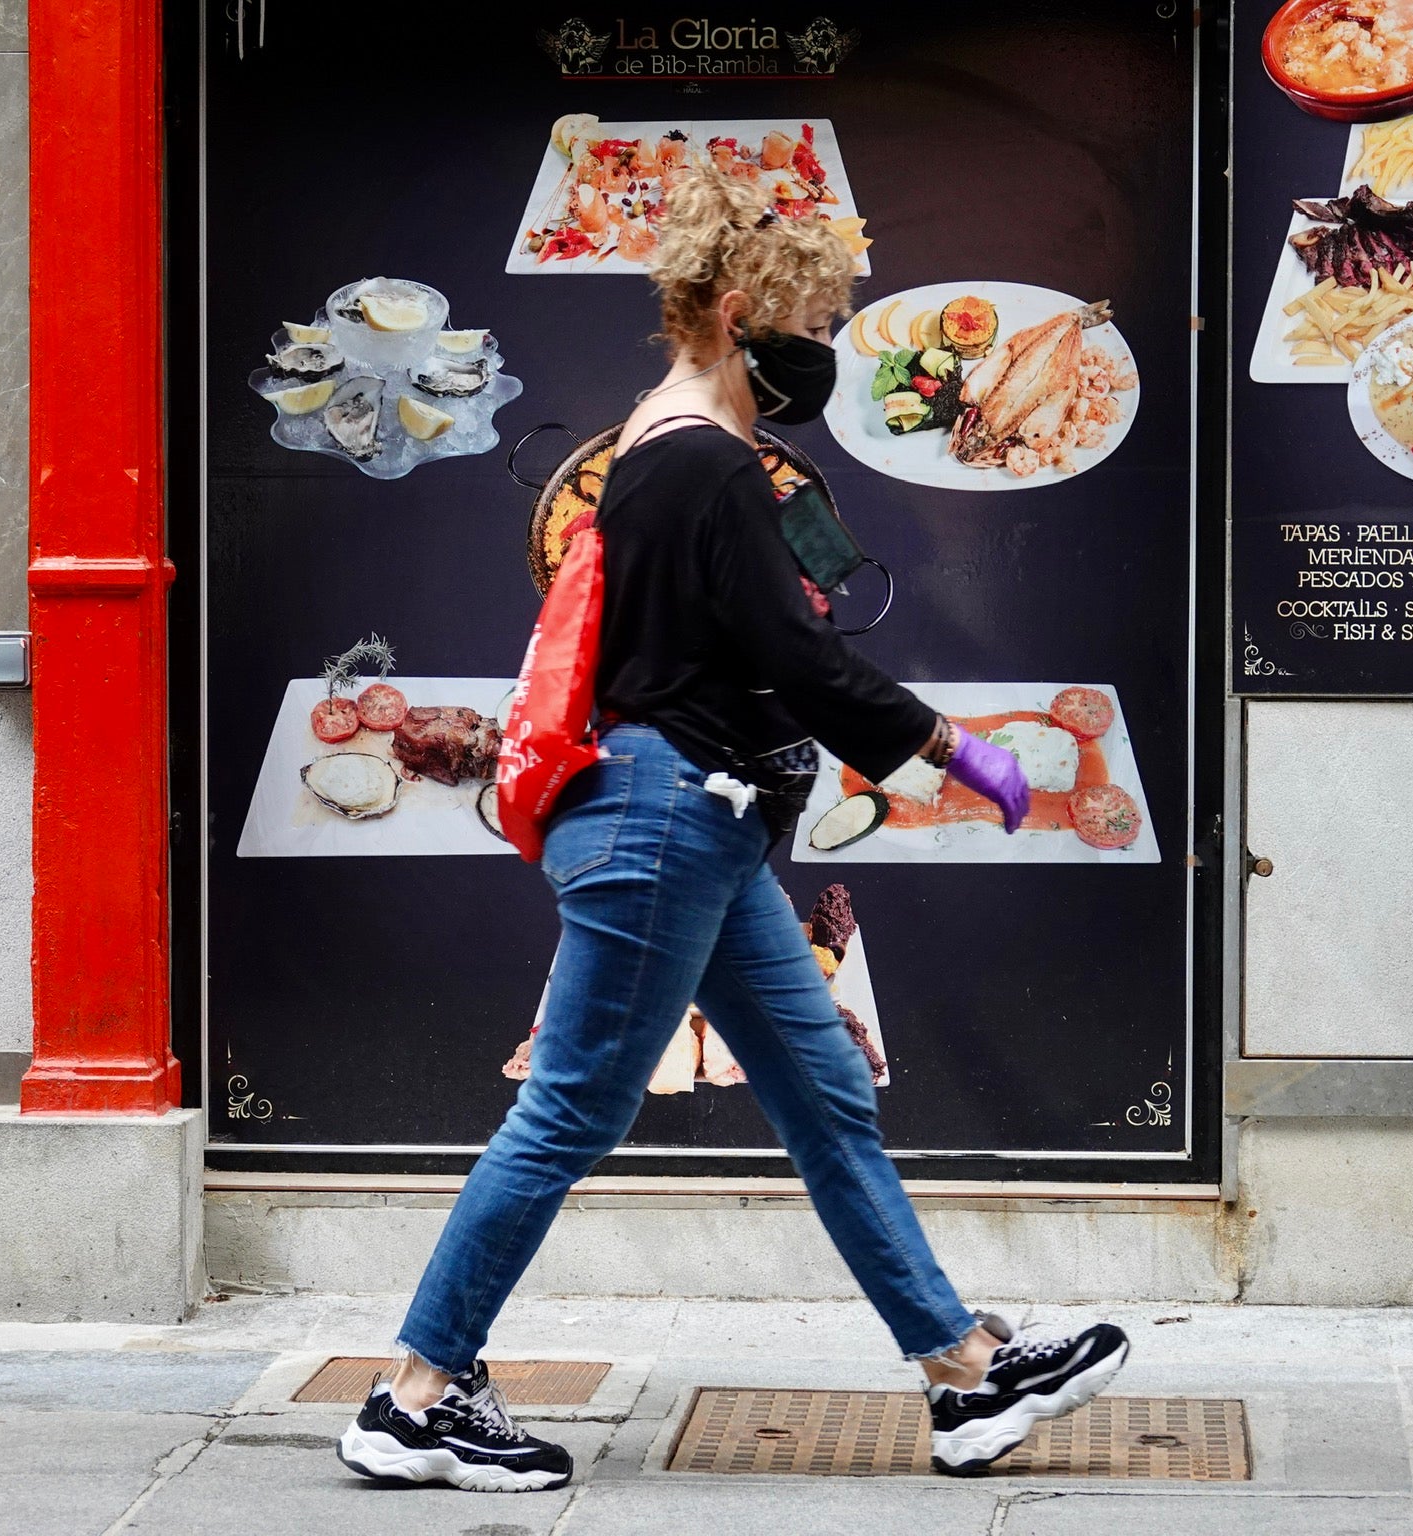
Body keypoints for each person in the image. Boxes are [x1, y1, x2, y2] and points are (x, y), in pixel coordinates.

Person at [337, 167, 1129, 1493]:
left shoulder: (656, 450)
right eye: (819, 322)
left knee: (824, 1100)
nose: (823, 350)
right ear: (746, 306)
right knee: (570, 1114)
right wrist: (955, 749)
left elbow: (734, 655)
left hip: (690, 821)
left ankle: (968, 1377)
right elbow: (794, 660)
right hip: (666, 820)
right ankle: (416, 1393)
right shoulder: (702, 459)